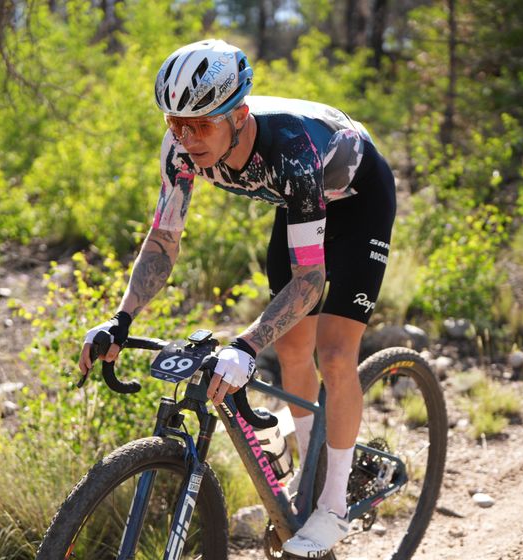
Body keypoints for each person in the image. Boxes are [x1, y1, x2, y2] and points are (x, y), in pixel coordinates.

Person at [78, 39, 396, 557]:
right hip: (298, 204)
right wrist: (121, 318)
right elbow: (163, 241)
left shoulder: (290, 147)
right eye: (175, 123)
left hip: (358, 201)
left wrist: (245, 346)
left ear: (239, 116)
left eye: (201, 126)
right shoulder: (180, 149)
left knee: (335, 354)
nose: (186, 139)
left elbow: (310, 281)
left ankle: (334, 504)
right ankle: (309, 472)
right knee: (291, 348)